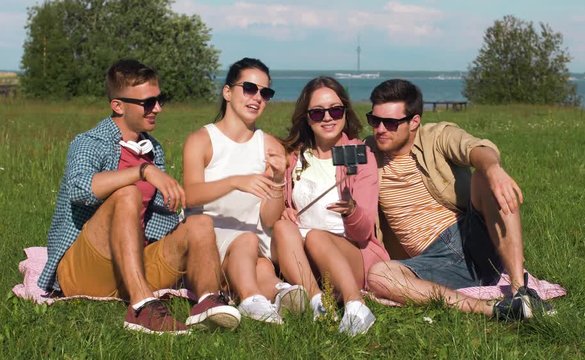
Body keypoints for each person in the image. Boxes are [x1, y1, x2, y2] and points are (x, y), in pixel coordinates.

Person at [38, 59, 240, 334]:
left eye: (160, 99)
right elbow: (78, 188)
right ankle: (142, 307)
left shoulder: (152, 148)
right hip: (85, 270)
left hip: (136, 265)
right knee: (127, 195)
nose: (158, 108)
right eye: (148, 102)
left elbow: (157, 220)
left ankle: (208, 303)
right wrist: (142, 171)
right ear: (118, 106)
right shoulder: (90, 142)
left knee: (200, 223)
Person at [365, 79, 554, 320]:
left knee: (482, 177)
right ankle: (498, 310)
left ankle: (521, 290)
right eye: (374, 120)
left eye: (391, 123)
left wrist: (493, 168)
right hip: (431, 261)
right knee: (379, 276)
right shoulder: (367, 152)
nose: (380, 129)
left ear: (414, 122)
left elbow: (476, 148)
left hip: (469, 236)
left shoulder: (436, 136)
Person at [183, 57, 304, 325]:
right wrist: (235, 181)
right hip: (209, 244)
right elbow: (189, 196)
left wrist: (276, 180)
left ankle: (278, 294)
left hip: (254, 247)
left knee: (257, 259)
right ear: (227, 92)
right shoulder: (202, 140)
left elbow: (270, 218)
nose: (257, 97)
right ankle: (252, 298)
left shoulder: (270, 145)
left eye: (265, 92)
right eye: (249, 88)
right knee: (247, 244)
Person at [270, 76, 390, 335]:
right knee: (281, 228)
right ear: (306, 117)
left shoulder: (358, 155)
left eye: (335, 110)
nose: (328, 118)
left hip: (350, 254)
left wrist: (352, 210)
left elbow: (364, 231)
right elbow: (281, 202)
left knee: (316, 237)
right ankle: (318, 304)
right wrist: (284, 208)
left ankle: (356, 305)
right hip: (304, 261)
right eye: (317, 112)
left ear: (345, 113)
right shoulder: (294, 156)